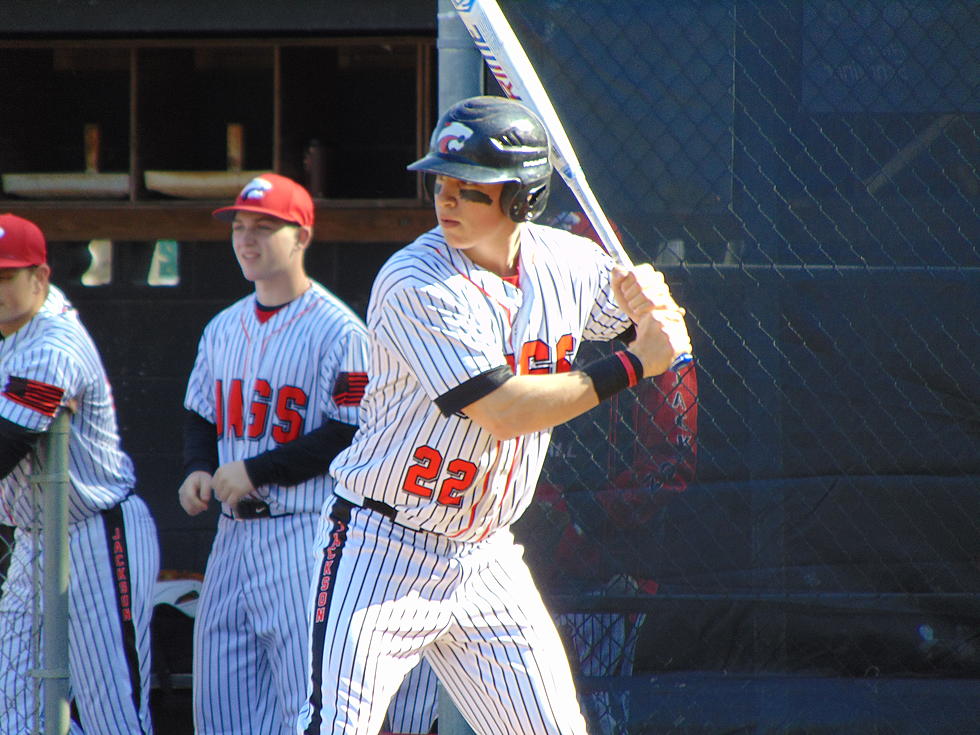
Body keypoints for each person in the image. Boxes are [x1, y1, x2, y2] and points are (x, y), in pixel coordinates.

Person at [297, 95, 692, 735]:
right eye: (441, 183)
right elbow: (504, 411)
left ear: (521, 200)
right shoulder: (416, 282)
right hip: (383, 546)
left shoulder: (569, 263)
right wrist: (635, 362)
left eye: (470, 188)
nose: (445, 200)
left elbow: (650, 334)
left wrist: (652, 304)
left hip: (486, 556)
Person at [178, 173, 372, 735]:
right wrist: (196, 467)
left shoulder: (340, 330)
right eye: (240, 227)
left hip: (303, 532)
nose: (247, 239)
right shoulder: (221, 328)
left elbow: (353, 431)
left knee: (304, 702)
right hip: (232, 537)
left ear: (302, 236)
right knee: (219, 703)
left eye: (264, 227)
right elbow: (200, 413)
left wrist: (257, 470)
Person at [0, 213, 160, 734]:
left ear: (40, 278)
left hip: (96, 531)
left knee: (109, 708)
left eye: (6, 277)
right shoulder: (12, 329)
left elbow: (5, 444)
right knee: (15, 699)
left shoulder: (52, 343)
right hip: (34, 535)